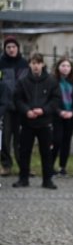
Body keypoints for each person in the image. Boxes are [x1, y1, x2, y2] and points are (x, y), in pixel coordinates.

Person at [12, 52, 61, 189]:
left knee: (46, 152)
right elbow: (17, 99)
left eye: (38, 63)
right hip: (27, 122)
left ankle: (47, 180)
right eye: (33, 63)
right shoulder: (22, 81)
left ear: (43, 64)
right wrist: (27, 110)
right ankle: (23, 178)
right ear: (29, 64)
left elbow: (56, 99)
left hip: (44, 122)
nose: (36, 66)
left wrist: (44, 110)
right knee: (24, 152)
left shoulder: (51, 81)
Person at [0, 36, 29, 177]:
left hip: (21, 107)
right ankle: (6, 165)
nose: (11, 49)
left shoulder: (24, 64)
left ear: (18, 48)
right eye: (8, 47)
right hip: (5, 108)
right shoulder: (1, 62)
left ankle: (23, 166)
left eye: (14, 47)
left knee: (21, 139)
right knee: (5, 138)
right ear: (5, 49)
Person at [51, 57, 73, 177]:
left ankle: (62, 167)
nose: (65, 68)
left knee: (66, 142)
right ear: (58, 67)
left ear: (71, 68)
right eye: (63, 65)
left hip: (71, 117)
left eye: (68, 66)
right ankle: (50, 167)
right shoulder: (53, 82)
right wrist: (60, 112)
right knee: (56, 141)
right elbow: (51, 100)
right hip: (57, 117)